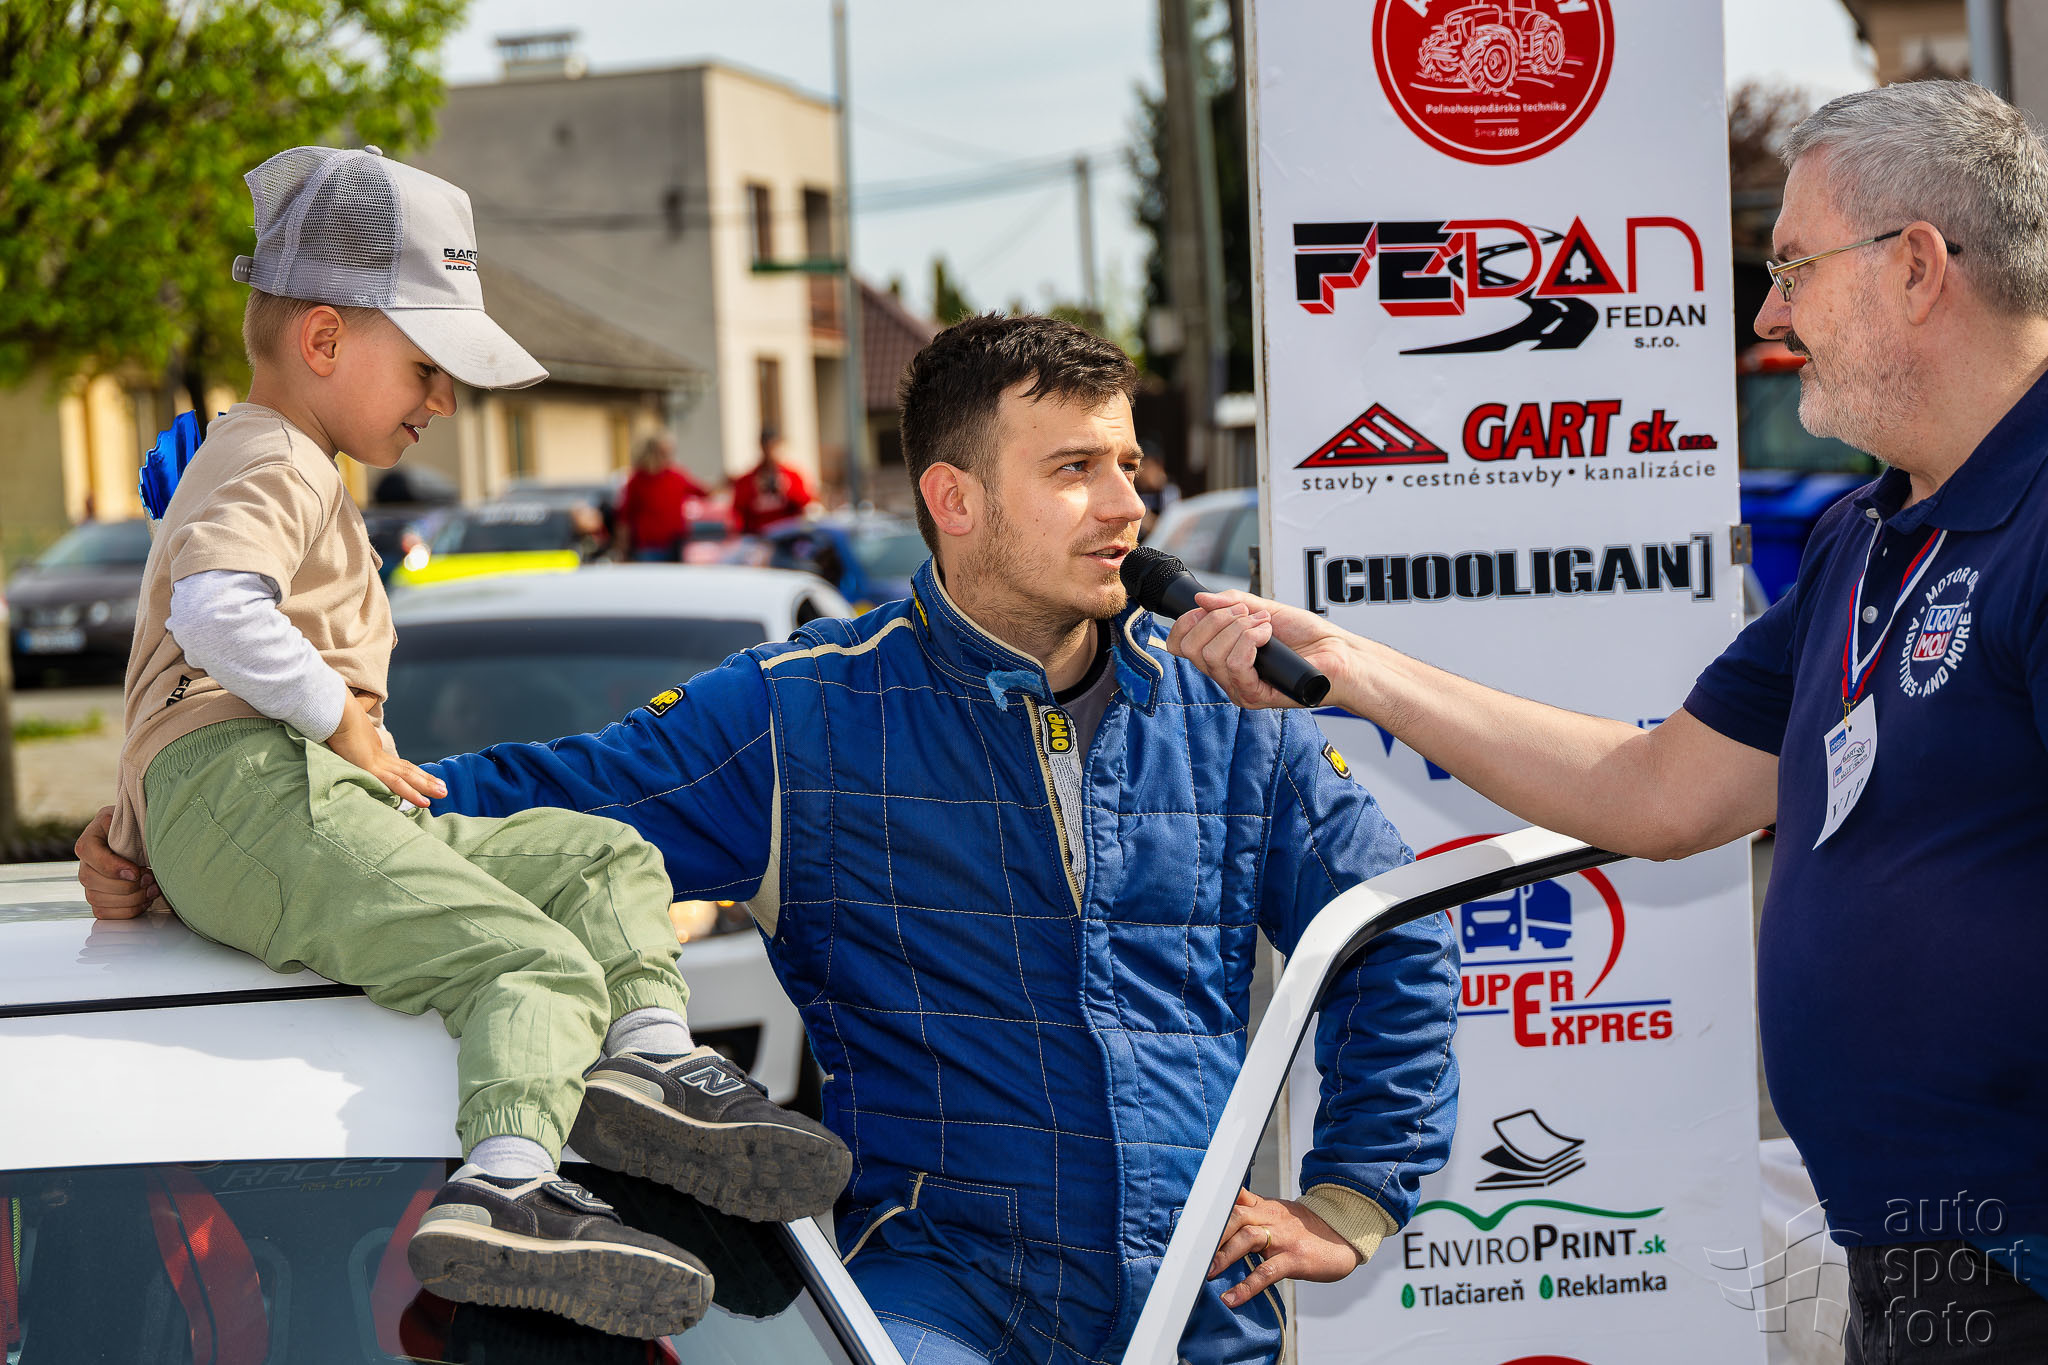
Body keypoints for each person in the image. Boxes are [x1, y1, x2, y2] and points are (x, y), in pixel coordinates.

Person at [84, 313, 1458, 1365]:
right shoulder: (803, 715)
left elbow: (1386, 926)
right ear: (955, 500)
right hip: (937, 1304)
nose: (1127, 506)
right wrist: (227, 822)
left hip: (1197, 1315)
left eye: (1128, 467)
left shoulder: (1232, 712)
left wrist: (1351, 1194)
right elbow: (533, 801)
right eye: (1075, 470)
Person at [1163, 80, 2048, 1365]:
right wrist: (1350, 667)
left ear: (1915, 267)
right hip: (1920, 1253)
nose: (1767, 313)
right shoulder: (1865, 536)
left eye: (1791, 267)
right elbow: (1655, 790)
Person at [101, 145, 847, 1339]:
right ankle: (504, 1184)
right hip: (266, 787)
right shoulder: (267, 451)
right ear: (324, 339)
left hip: (284, 797)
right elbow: (213, 613)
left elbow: (170, 678)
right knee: (533, 962)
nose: (442, 401)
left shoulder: (287, 466)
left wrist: (135, 826)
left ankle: (647, 1060)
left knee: (602, 858)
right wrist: (341, 721)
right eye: (426, 366)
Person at [617, 433, 706, 561]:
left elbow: (703, 492)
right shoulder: (637, 481)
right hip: (648, 547)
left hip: (675, 544)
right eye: (662, 453)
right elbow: (625, 518)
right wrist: (623, 549)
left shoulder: (676, 476)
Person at [728, 426, 818, 535]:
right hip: (758, 535)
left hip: (788, 533)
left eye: (773, 447)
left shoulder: (792, 476)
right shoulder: (747, 480)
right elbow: (737, 511)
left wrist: (787, 490)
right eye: (766, 447)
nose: (770, 452)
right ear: (761, 447)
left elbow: (806, 504)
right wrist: (754, 491)